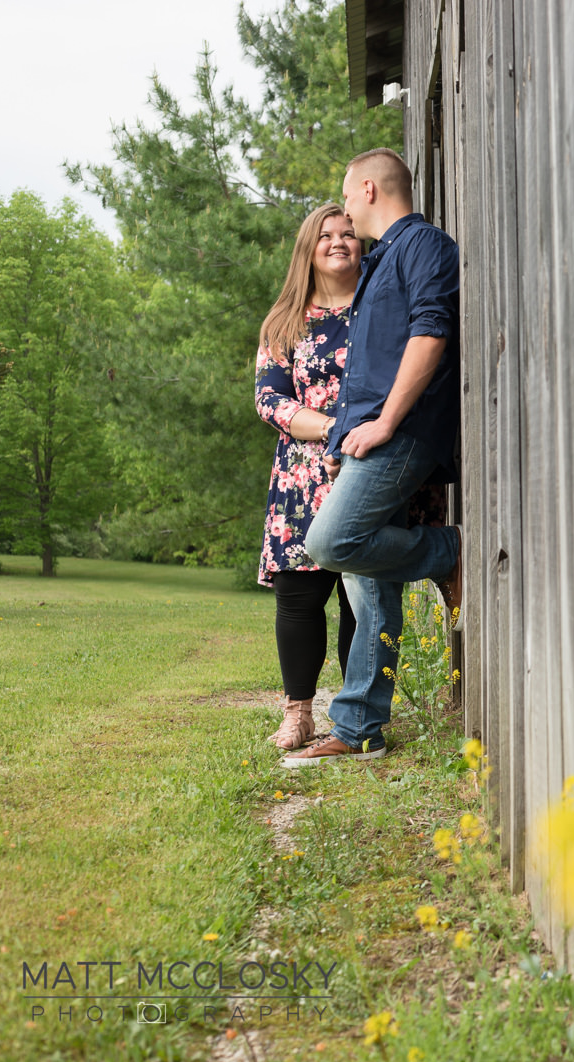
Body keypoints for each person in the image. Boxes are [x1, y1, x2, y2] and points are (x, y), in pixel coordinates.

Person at [285, 147, 463, 767]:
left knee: (329, 543)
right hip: (368, 440)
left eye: (346, 200)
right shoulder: (381, 263)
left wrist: (386, 422)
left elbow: (430, 332)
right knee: (368, 579)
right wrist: (341, 445)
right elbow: (368, 368)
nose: (345, 224)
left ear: (365, 189)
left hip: (404, 434)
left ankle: (448, 552)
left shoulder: (423, 246)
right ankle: (361, 726)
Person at [254, 204, 362, 750]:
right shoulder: (284, 321)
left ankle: (358, 713)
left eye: (349, 233)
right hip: (303, 475)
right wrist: (331, 430)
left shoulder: (377, 309)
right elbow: (269, 399)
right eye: (326, 235)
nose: (339, 242)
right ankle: (298, 713)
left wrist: (355, 438)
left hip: (366, 465)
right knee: (298, 598)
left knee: (359, 596)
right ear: (308, 248)